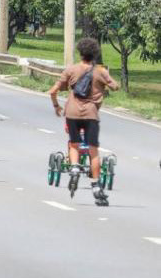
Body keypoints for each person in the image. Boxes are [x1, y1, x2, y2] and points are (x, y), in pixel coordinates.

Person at [48, 37, 119, 203]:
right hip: (91, 114)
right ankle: (95, 185)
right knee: (93, 150)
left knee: (74, 144)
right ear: (95, 54)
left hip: (72, 113)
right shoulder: (100, 71)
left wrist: (56, 106)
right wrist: (106, 83)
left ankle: (74, 168)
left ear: (80, 53)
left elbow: (53, 91)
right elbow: (115, 86)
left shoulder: (71, 70)